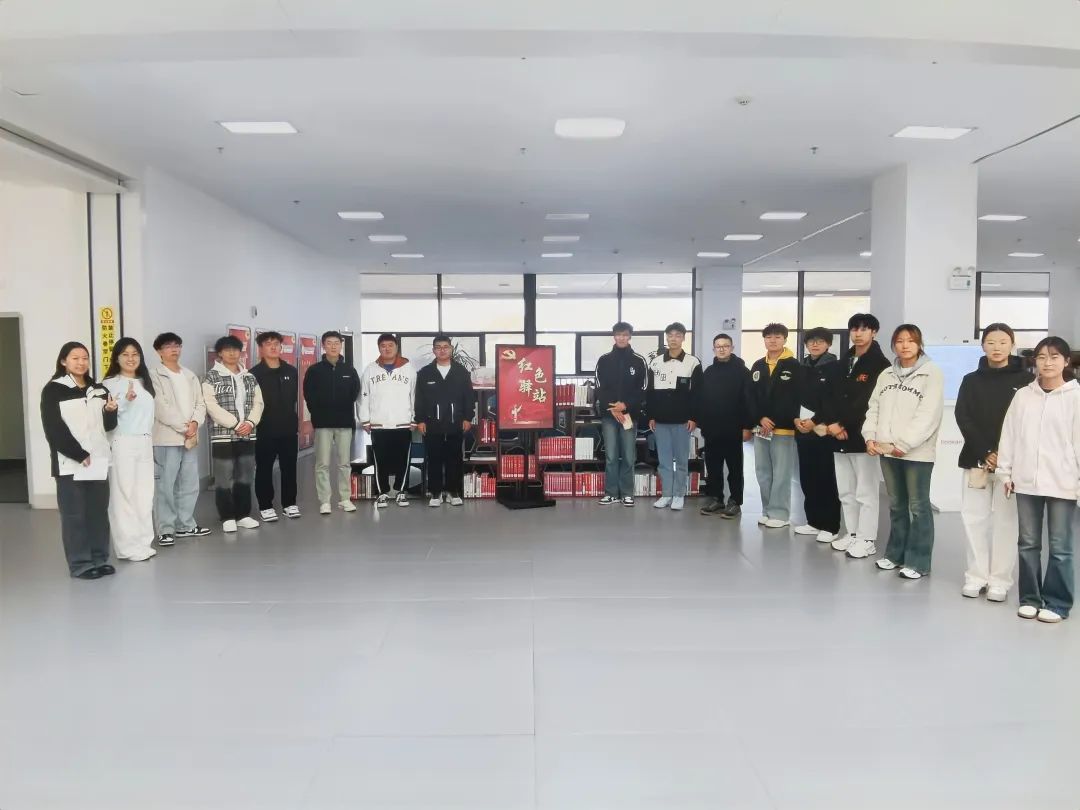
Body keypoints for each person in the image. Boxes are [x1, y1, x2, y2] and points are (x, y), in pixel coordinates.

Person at [997, 336, 1080, 623]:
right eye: (1042, 357)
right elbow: (1009, 435)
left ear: (1066, 361)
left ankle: (1057, 603)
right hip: (1026, 482)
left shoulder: (1076, 397)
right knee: (1028, 543)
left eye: (1054, 357)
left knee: (1061, 547)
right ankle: (1030, 598)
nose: (1047, 363)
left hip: (1062, 482)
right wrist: (1005, 471)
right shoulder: (1023, 396)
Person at [862, 324, 945, 580]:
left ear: (919, 344)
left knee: (918, 506)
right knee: (896, 504)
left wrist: (905, 444)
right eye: (899, 341)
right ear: (893, 345)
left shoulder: (931, 373)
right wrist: (870, 436)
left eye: (911, 340)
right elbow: (874, 407)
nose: (905, 345)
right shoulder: (886, 374)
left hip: (916, 453)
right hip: (886, 449)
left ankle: (918, 562)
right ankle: (895, 555)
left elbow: (928, 414)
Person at [954, 323, 1030, 601]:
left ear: (1012, 345)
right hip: (977, 459)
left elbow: (1026, 422)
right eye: (991, 342)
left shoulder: (1026, 380)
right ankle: (976, 576)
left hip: (1011, 464)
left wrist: (1003, 454)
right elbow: (963, 416)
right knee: (973, 519)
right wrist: (986, 451)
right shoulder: (970, 380)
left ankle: (1000, 580)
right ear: (983, 345)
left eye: (1002, 342)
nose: (997, 347)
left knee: (1006, 522)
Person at [40, 342, 118, 579]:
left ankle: (99, 558)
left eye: (85, 358)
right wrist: (79, 454)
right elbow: (53, 429)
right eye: (75, 358)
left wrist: (111, 412)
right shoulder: (53, 389)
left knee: (98, 513)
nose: (81, 362)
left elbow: (108, 427)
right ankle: (81, 564)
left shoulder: (99, 389)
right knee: (75, 515)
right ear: (64, 361)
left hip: (98, 461)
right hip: (70, 464)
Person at [815, 313, 891, 558]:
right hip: (837, 436)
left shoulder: (881, 365)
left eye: (864, 329)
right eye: (854, 329)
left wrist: (842, 423)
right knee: (846, 490)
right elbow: (827, 396)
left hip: (861, 436)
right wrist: (832, 424)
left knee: (866, 492)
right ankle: (853, 532)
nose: (858, 334)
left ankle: (867, 538)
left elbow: (868, 401)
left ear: (874, 332)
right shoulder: (843, 362)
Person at [150, 332, 211, 545]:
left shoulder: (189, 375)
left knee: (189, 483)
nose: (174, 349)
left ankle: (185, 525)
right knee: (165, 485)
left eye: (177, 345)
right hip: (166, 439)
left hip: (189, 438)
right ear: (159, 351)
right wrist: (184, 427)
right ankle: (165, 528)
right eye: (168, 346)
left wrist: (195, 423)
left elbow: (200, 403)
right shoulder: (154, 376)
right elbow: (160, 407)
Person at [102, 338, 158, 562]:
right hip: (122, 441)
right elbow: (107, 418)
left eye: (135, 354)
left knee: (144, 494)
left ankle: (143, 542)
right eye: (125, 354)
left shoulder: (145, 382)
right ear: (116, 358)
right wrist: (125, 401)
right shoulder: (109, 384)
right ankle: (127, 547)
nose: (130, 358)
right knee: (123, 495)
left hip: (144, 441)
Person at [203, 335, 264, 533]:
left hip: (247, 433)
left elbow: (258, 403)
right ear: (220, 353)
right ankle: (227, 516)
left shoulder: (249, 377)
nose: (232, 353)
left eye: (235, 350)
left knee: (245, 475)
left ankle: (243, 515)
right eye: (227, 350)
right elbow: (211, 405)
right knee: (223, 477)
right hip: (223, 435)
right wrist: (236, 424)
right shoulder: (211, 377)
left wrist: (250, 423)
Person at [748, 323, 801, 529]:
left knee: (781, 473)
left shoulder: (794, 365)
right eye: (769, 337)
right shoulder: (758, 365)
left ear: (785, 339)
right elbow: (751, 396)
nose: (773, 340)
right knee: (763, 471)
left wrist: (775, 420)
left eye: (778, 337)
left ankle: (780, 513)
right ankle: (767, 510)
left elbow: (794, 399)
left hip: (784, 428)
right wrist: (760, 418)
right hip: (760, 428)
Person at [303, 330, 361, 515]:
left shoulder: (349, 370)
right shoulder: (314, 370)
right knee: (322, 464)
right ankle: (325, 501)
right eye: (329, 343)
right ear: (323, 346)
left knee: (344, 463)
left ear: (341, 345)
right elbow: (308, 395)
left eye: (336, 343)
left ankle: (345, 499)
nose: (333, 346)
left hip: (344, 422)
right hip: (323, 423)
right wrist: (317, 414)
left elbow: (355, 393)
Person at [646, 321, 702, 510]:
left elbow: (698, 393)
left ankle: (679, 495)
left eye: (678, 335)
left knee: (682, 460)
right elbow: (650, 393)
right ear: (666, 338)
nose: (673, 339)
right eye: (670, 335)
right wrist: (651, 416)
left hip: (683, 421)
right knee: (664, 461)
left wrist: (694, 417)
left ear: (683, 338)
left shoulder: (693, 362)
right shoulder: (655, 362)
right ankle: (666, 494)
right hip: (660, 421)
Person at [793, 328, 841, 542]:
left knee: (826, 479)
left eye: (820, 341)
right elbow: (793, 397)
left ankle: (830, 526)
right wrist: (795, 419)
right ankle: (813, 521)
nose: (815, 345)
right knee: (807, 477)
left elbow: (834, 401)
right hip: (803, 430)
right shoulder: (801, 367)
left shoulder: (835, 367)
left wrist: (815, 420)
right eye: (811, 341)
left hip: (823, 431)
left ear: (828, 344)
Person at [415, 335, 475, 507]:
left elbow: (469, 397)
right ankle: (435, 493)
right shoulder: (425, 373)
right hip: (431, 423)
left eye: (445, 347)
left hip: (456, 422)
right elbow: (419, 399)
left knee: (454, 458)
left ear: (451, 349)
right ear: (433, 350)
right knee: (434, 458)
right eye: (438, 347)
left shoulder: (461, 372)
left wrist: (468, 417)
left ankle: (453, 491)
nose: (442, 350)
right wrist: (420, 420)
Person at [697, 333, 753, 519]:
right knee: (713, 467)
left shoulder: (743, 372)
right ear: (714, 349)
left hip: (734, 429)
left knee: (735, 469)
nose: (721, 349)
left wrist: (747, 427)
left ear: (732, 348)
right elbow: (702, 400)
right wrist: (703, 425)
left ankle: (735, 501)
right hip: (712, 429)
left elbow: (748, 401)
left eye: (725, 346)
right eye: (718, 346)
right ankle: (716, 499)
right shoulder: (709, 372)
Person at [359, 333, 417, 508]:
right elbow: (363, 395)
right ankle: (382, 492)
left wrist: (414, 419)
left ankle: (401, 491)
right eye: (383, 346)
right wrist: (365, 420)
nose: (387, 349)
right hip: (379, 423)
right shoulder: (370, 369)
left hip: (403, 423)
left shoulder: (409, 369)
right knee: (380, 460)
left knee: (403, 460)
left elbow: (415, 395)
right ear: (379, 348)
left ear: (396, 347)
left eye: (390, 345)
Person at [594, 321, 648, 506]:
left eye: (625, 335)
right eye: (618, 334)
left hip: (629, 415)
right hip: (609, 416)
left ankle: (627, 493)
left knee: (628, 455)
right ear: (614, 336)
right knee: (610, 456)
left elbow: (643, 389)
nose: (621, 338)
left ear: (630, 336)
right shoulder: (604, 360)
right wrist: (614, 408)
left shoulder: (639, 361)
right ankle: (611, 493)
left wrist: (625, 405)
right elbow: (599, 387)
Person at [251, 331, 301, 521]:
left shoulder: (291, 371)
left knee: (289, 468)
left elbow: (295, 399)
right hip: (264, 429)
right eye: (268, 344)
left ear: (281, 347)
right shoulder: (254, 374)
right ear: (260, 348)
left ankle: (290, 504)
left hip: (288, 428)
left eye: (276, 343)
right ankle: (265, 505)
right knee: (264, 469)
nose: (273, 347)